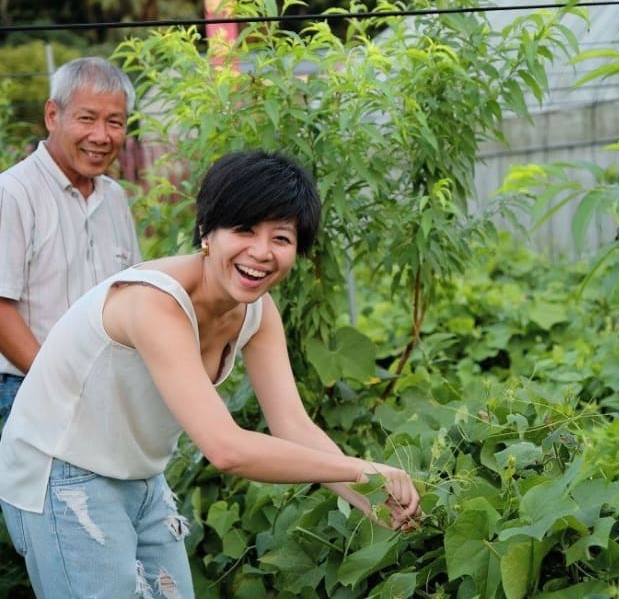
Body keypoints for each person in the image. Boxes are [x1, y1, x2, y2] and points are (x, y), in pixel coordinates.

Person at [0, 150, 422, 598]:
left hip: (139, 474)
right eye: (243, 229)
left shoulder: (257, 311)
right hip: (63, 474)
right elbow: (226, 448)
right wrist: (360, 470)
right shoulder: (153, 303)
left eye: (281, 238)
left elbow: (293, 426)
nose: (261, 253)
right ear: (206, 231)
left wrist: (369, 496)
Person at [0, 56, 142, 424]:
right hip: (26, 388)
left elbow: (131, 295)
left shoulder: (114, 197)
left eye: (115, 122)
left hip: (105, 391)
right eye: (87, 118)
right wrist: (59, 384)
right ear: (52, 115)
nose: (101, 136)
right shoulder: (13, 193)